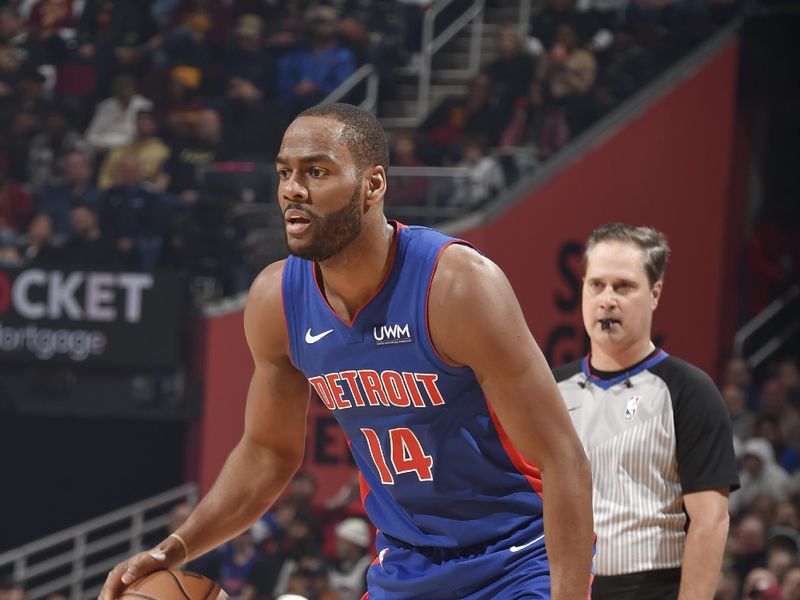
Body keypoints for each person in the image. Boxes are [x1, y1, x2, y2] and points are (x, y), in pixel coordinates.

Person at [99, 103, 593, 599]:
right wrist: (176, 548)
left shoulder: (457, 286)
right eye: (284, 173)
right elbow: (269, 451)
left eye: (316, 171)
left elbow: (562, 457)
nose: (293, 189)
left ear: (373, 185)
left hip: (515, 556)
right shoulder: (277, 300)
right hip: (406, 565)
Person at [553, 222, 740, 599]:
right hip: (560, 585)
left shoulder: (690, 391)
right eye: (596, 284)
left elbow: (711, 521)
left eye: (623, 286)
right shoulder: (549, 390)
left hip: (652, 588)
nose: (607, 299)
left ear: (655, 294)